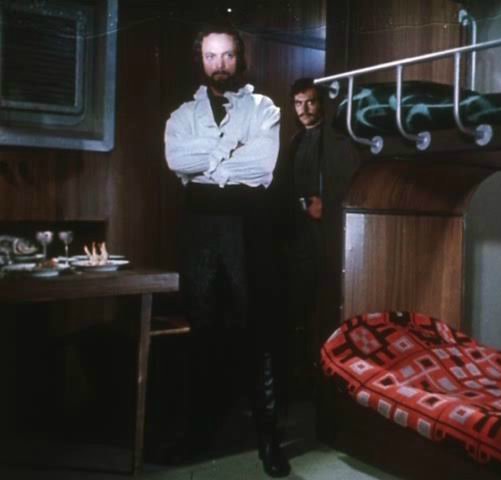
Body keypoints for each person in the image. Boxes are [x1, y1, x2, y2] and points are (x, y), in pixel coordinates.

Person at [164, 23, 290, 478]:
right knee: (202, 332)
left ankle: (269, 440)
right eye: (211, 56)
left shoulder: (264, 109)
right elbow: (177, 160)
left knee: (256, 333)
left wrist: (208, 166)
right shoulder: (181, 116)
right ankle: (195, 436)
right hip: (200, 233)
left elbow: (261, 166)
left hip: (248, 230)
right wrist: (229, 152)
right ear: (201, 61)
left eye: (228, 55)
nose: (220, 65)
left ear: (241, 59)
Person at [286, 78, 361, 398]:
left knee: (325, 302)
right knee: (299, 304)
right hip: (298, 234)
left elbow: (348, 184)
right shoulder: (294, 141)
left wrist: (325, 205)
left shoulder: (337, 141)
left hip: (327, 234)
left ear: (321, 103)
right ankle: (303, 378)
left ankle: (325, 378)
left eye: (310, 102)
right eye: (298, 103)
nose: (304, 109)